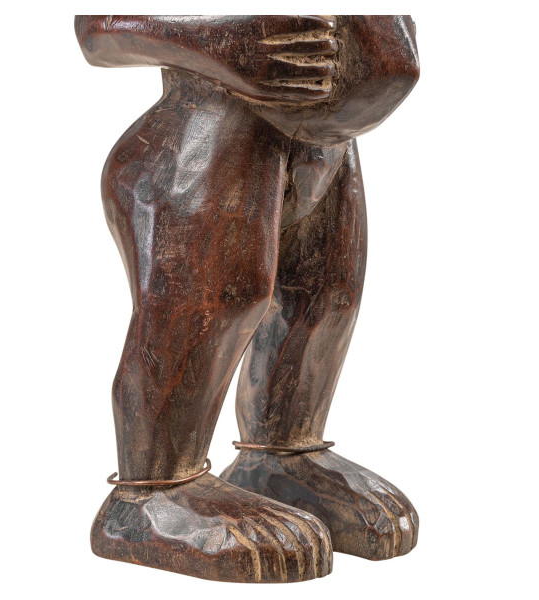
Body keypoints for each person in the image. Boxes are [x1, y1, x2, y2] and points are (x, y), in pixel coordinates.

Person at [75, 15, 419, 582]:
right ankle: (150, 496)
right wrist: (218, 45)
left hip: (327, 153)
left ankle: (279, 456)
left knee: (327, 297)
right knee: (216, 304)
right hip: (207, 137)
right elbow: (97, 30)